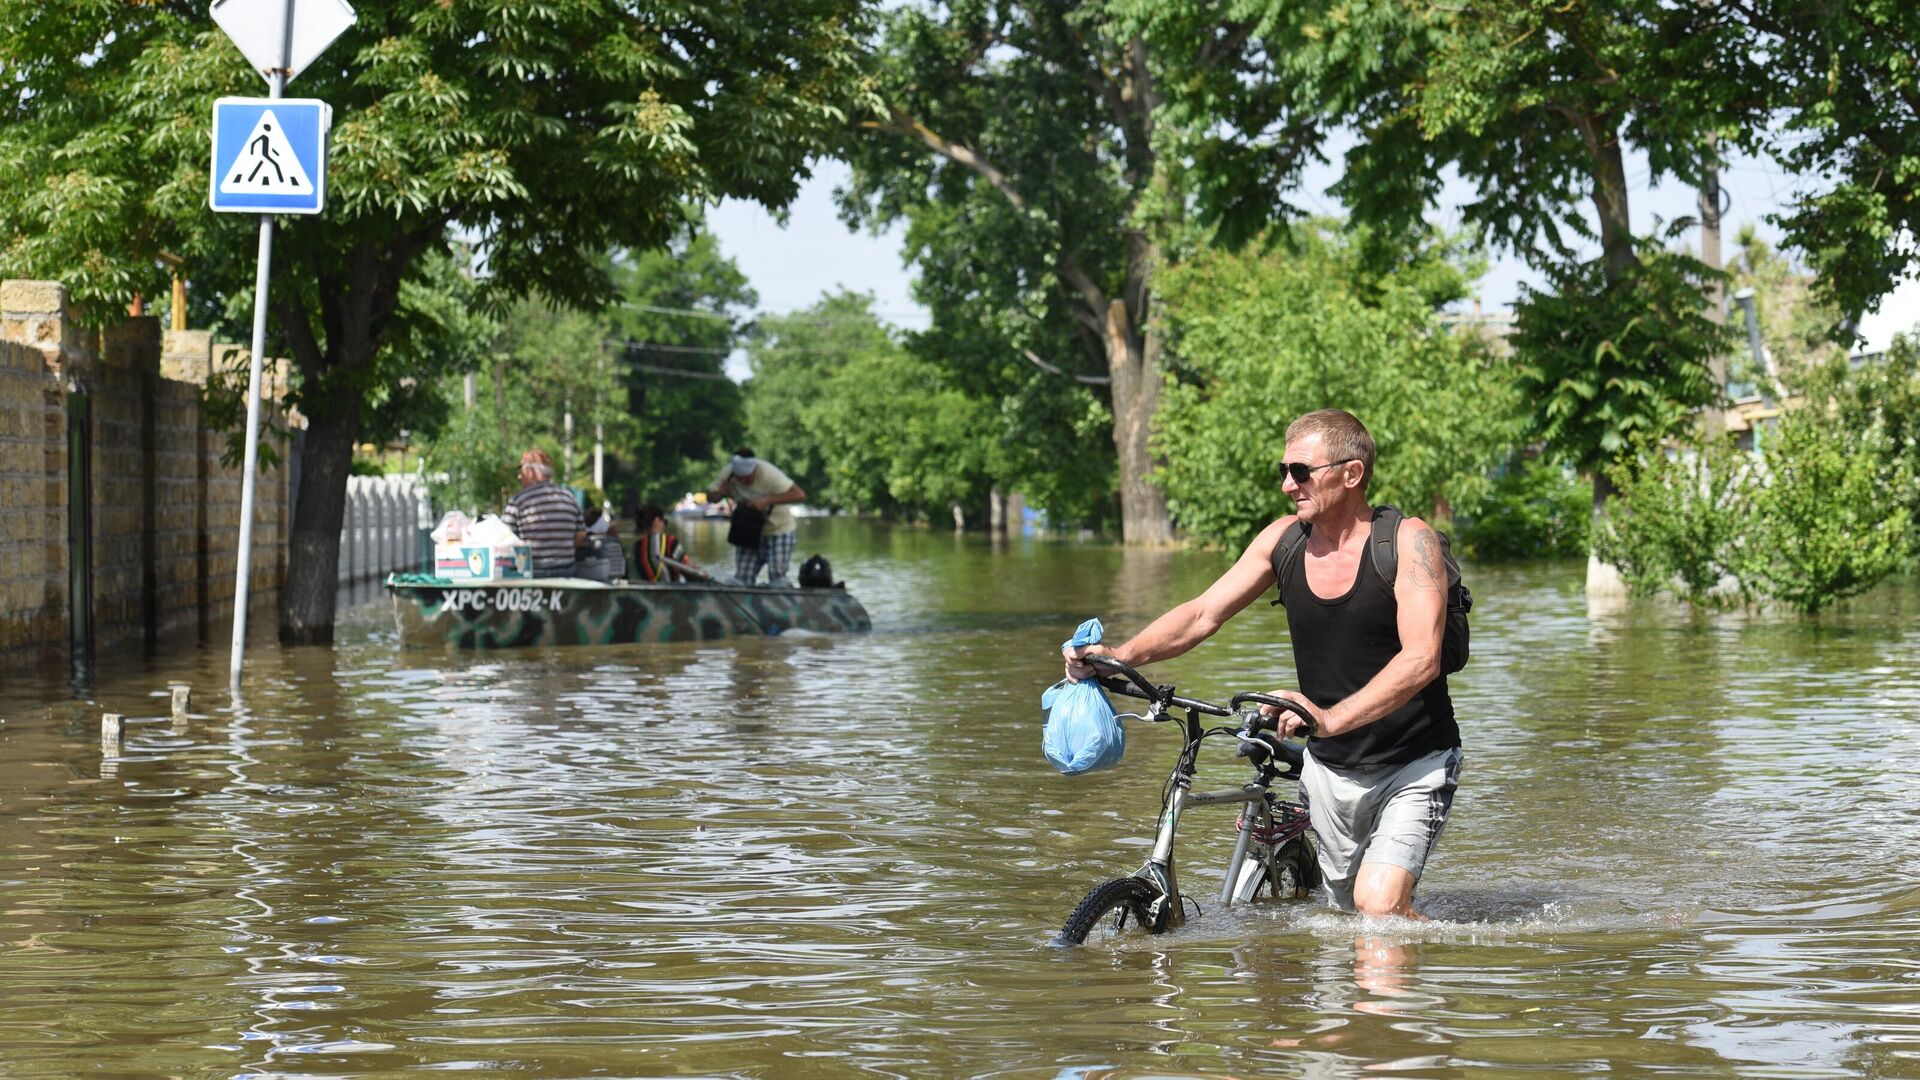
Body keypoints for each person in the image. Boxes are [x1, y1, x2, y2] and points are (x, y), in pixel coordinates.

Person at [1064, 409, 1462, 918]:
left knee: (1378, 907)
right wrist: (1120, 657)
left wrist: (1329, 717)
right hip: (1329, 768)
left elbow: (1423, 657)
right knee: (1348, 916)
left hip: (1414, 763)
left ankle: (1430, 985)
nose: (1286, 485)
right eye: (1283, 471)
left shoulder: (1409, 542)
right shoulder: (1283, 541)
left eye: (1300, 471)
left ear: (1352, 473)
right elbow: (1203, 613)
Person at [706, 448, 806, 586]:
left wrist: (767, 501)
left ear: (754, 469)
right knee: (742, 578)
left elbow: (799, 494)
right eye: (739, 477)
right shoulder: (728, 474)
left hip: (779, 530)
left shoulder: (769, 473)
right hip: (747, 532)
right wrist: (719, 493)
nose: (743, 480)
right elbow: (710, 497)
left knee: (777, 576)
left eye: (747, 476)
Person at [501, 449, 584, 578]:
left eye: (520, 469)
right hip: (566, 572)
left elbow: (502, 537)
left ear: (531, 472)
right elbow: (580, 535)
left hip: (533, 573)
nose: (519, 476)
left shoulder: (518, 501)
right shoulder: (569, 498)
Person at [632, 503, 692, 582]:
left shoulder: (632, 548)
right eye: (664, 522)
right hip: (667, 591)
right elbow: (689, 568)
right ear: (656, 521)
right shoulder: (670, 542)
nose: (664, 526)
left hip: (636, 591)